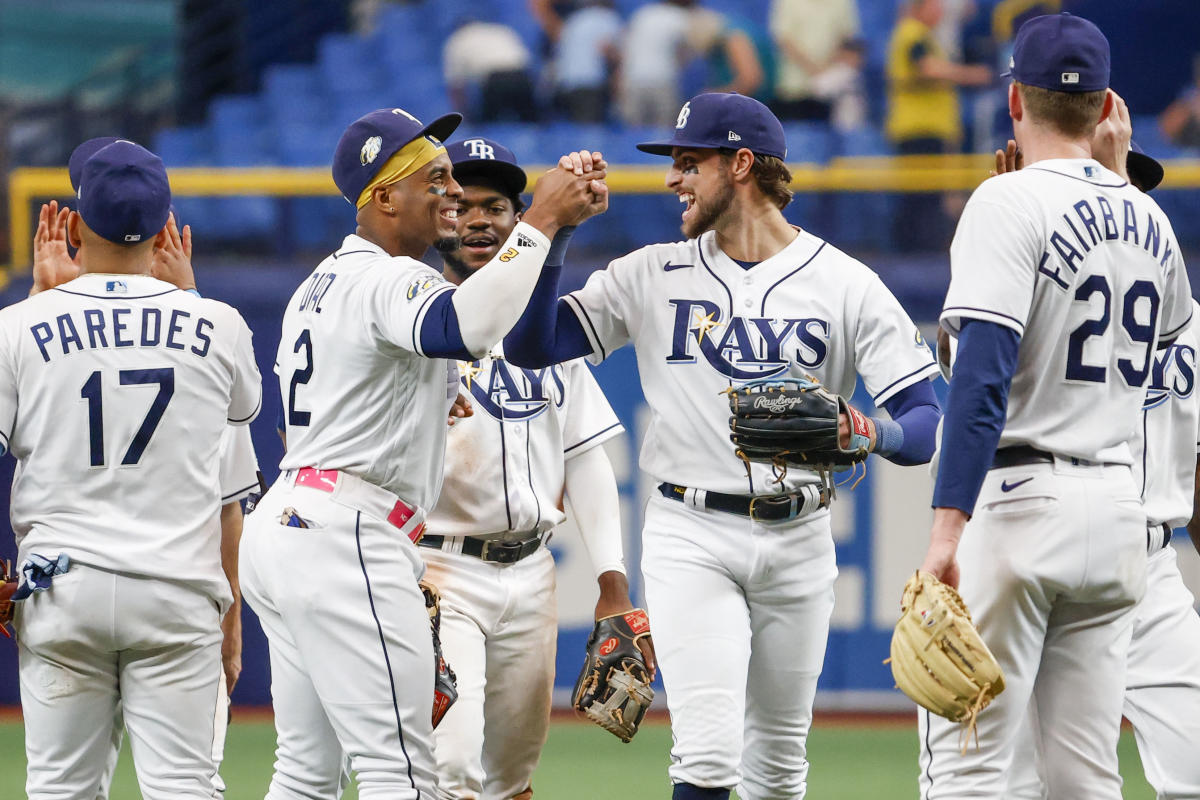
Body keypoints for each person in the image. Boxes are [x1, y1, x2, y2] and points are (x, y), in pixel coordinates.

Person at [503, 91, 942, 800]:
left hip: (799, 536)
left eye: (688, 163)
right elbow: (531, 347)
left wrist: (867, 431)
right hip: (691, 531)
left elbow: (922, 424)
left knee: (777, 770)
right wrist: (554, 233)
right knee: (706, 757)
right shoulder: (652, 272)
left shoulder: (845, 284)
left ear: (742, 165)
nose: (673, 179)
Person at [237, 107, 605, 799]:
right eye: (434, 180)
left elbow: (315, 415)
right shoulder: (390, 277)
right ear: (383, 197)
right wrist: (543, 222)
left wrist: (427, 397)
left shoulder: (318, 286)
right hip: (349, 532)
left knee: (306, 774)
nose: (453, 195)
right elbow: (468, 325)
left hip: (288, 523)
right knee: (404, 773)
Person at [918, 14, 1192, 799]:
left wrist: (945, 531)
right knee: (1082, 776)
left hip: (1019, 503)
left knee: (968, 770)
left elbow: (981, 380)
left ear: (1014, 102)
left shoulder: (1006, 202)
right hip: (1116, 512)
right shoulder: (1152, 218)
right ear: (1107, 107)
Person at [1, 140, 262, 798]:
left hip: (63, 590)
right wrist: (189, 297)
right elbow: (232, 453)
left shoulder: (18, 326)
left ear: (75, 221)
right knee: (185, 787)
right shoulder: (222, 325)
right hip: (175, 592)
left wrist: (40, 302)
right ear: (166, 222)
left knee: (60, 788)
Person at [417, 135, 651, 799]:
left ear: (522, 221)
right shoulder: (413, 318)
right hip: (437, 570)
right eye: (462, 205)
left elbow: (586, 457)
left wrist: (613, 585)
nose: (480, 219)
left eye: (497, 205)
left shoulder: (541, 332)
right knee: (448, 769)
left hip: (529, 574)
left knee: (512, 779)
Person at [978, 103, 1200, 800]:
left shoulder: (1181, 310)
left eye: (1133, 183)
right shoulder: (1028, 298)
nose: (1119, 194)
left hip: (1153, 563)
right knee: (1024, 779)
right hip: (1043, 534)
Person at [885, 0, 993, 251]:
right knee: (921, 197)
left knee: (929, 198)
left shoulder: (923, 35)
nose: (940, 12)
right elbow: (927, 67)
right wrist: (972, 75)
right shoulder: (912, 32)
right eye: (934, 6)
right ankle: (915, 255)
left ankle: (919, 250)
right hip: (918, 129)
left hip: (930, 129)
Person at [769, 0, 861, 122]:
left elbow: (847, 39)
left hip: (830, 90)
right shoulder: (787, 2)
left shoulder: (842, 3)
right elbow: (783, 39)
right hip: (794, 88)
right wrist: (815, 70)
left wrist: (826, 69)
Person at [616, 0, 699, 128]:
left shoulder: (643, 13)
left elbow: (625, 47)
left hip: (634, 78)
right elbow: (685, 52)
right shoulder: (679, 17)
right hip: (664, 79)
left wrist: (620, 78)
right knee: (662, 131)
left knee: (633, 130)